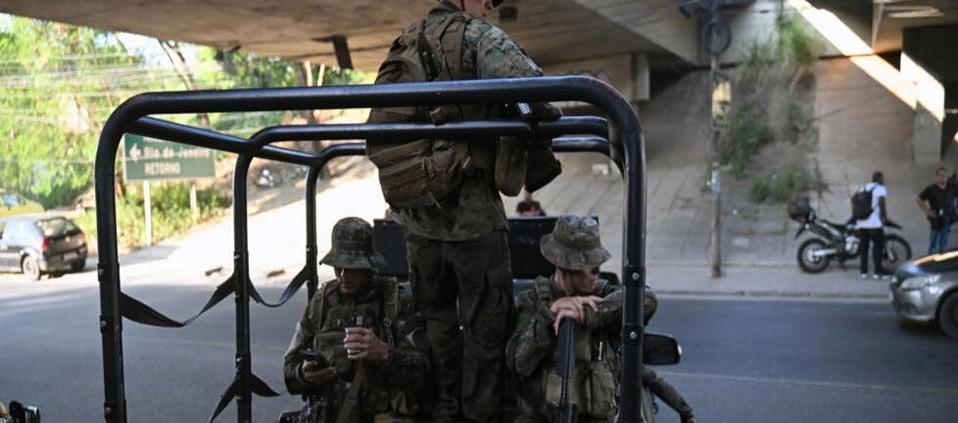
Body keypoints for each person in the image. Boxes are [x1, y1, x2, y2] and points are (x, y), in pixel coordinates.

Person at [366, 1, 563, 421]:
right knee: (486, 334)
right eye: (488, 0)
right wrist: (537, 116)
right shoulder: (476, 35)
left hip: (417, 218)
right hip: (472, 221)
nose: (491, 7)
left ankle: (441, 412)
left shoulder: (406, 40)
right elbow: (531, 88)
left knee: (434, 328)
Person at [506, 215, 696, 423]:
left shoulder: (604, 295)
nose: (597, 274)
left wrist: (591, 312)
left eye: (598, 267)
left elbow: (646, 299)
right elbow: (519, 363)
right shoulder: (534, 301)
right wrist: (549, 316)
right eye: (591, 268)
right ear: (563, 268)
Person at [282, 217, 429, 423]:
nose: (343, 275)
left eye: (352, 267)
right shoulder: (322, 302)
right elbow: (289, 367)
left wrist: (385, 354)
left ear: (368, 265)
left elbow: (424, 374)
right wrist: (304, 374)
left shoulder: (395, 302)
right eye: (338, 266)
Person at [857, 171, 888, 279]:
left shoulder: (863, 187)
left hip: (862, 223)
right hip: (874, 223)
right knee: (877, 248)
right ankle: (877, 272)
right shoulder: (880, 188)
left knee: (864, 248)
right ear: (879, 178)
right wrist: (884, 217)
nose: (883, 180)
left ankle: (863, 272)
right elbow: (882, 203)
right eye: (882, 178)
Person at [917, 167, 955, 254]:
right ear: (937, 176)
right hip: (936, 221)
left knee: (944, 245)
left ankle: (941, 264)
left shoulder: (951, 188)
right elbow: (918, 199)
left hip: (947, 221)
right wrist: (928, 211)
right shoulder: (931, 189)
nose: (943, 177)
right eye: (941, 175)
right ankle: (930, 264)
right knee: (933, 245)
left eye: (945, 175)